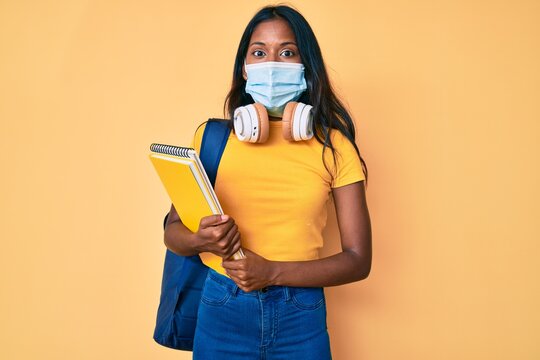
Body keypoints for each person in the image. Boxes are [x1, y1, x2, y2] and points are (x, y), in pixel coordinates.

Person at [164, 5, 372, 359]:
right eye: (259, 52)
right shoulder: (212, 139)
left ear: (306, 68)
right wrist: (201, 239)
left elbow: (358, 259)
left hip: (300, 315)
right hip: (221, 306)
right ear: (245, 69)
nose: (272, 63)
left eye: (287, 52)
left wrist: (272, 272)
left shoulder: (333, 147)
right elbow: (172, 232)